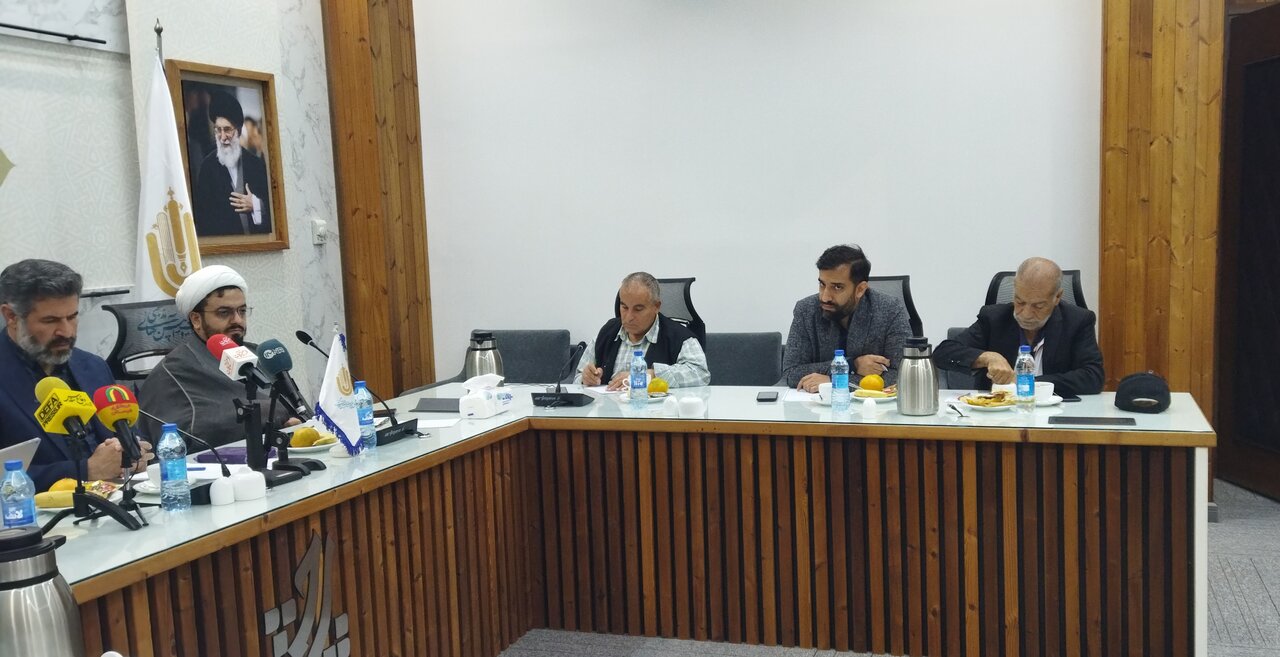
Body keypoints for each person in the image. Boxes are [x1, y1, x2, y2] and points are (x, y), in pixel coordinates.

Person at [0, 259, 152, 491]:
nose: (67, 331)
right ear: (11, 316)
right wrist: (83, 471)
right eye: (50, 321)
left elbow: (124, 434)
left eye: (72, 317)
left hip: (115, 498)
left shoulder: (93, 366)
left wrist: (131, 451)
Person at [139, 265, 299, 446]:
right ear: (196, 320)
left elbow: (293, 408)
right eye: (224, 313)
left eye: (242, 311)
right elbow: (187, 439)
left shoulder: (258, 354)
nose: (237, 320)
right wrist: (270, 416)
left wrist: (293, 424)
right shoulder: (171, 374)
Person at [932, 257, 1104, 396]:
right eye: (1020, 302)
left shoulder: (1078, 321)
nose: (1026, 314)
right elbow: (943, 352)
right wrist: (987, 357)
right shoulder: (994, 318)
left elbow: (1093, 377)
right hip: (999, 412)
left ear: (1057, 297)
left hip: (1055, 410)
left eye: (1038, 306)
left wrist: (1027, 383)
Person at [784, 244, 912, 392]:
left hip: (872, 405)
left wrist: (834, 381)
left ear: (860, 289)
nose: (825, 297)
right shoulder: (806, 310)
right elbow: (791, 372)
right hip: (816, 404)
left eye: (837, 287)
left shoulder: (890, 310)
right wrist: (852, 365)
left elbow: (903, 375)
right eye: (822, 284)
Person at [577, 272, 710, 390]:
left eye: (638, 309)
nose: (629, 317)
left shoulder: (679, 337)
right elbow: (577, 377)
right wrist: (586, 378)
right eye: (624, 307)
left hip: (657, 409)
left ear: (656, 306)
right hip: (609, 409)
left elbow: (700, 373)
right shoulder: (607, 332)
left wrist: (650, 375)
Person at [192, 91, 272, 237]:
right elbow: (202, 219)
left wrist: (255, 205)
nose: (223, 137)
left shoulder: (256, 165)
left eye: (227, 130)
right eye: (218, 130)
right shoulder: (207, 168)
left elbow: (273, 209)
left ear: (239, 130)